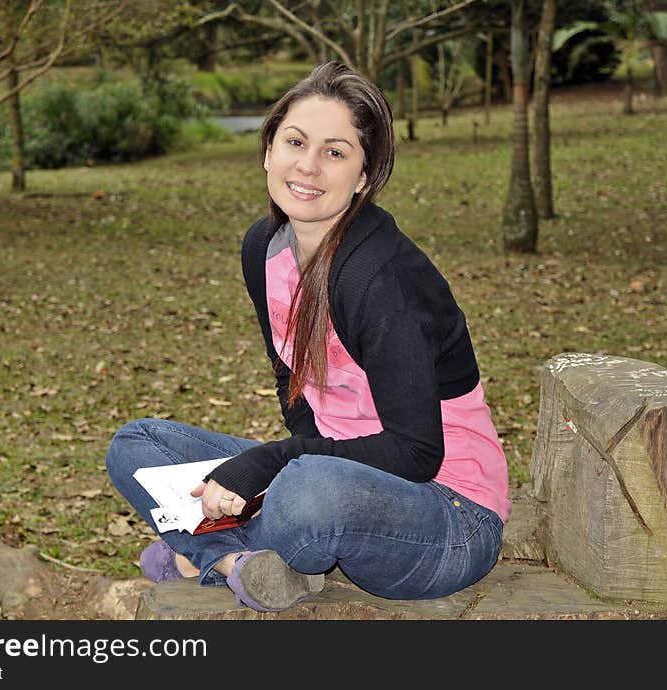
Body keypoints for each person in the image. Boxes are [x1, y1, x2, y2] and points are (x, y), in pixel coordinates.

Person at [105, 61, 509, 613]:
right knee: (136, 445)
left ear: (364, 177)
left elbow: (417, 453)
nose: (309, 167)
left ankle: (204, 553)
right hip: (327, 473)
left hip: (447, 514)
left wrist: (275, 465)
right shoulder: (265, 249)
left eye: (336, 152)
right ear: (269, 150)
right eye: (295, 142)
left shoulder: (382, 280)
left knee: (306, 495)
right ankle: (235, 562)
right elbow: (292, 384)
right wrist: (284, 464)